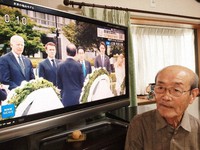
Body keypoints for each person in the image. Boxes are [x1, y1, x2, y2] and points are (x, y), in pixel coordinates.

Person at [125, 65, 200, 150]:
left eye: (176, 90)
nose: (166, 97)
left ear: (193, 95)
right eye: (160, 88)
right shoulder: (139, 124)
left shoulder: (197, 128)